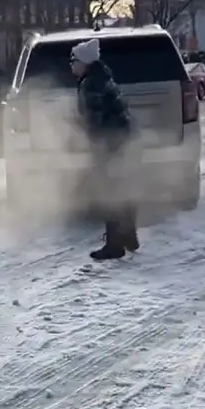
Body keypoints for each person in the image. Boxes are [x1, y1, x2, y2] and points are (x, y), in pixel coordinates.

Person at [70, 38, 139, 260]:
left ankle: (115, 245)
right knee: (121, 187)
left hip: (109, 144)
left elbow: (95, 121)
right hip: (121, 141)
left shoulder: (91, 84)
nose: (71, 65)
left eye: (74, 60)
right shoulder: (102, 77)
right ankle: (128, 235)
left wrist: (90, 142)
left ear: (85, 62)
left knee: (108, 192)